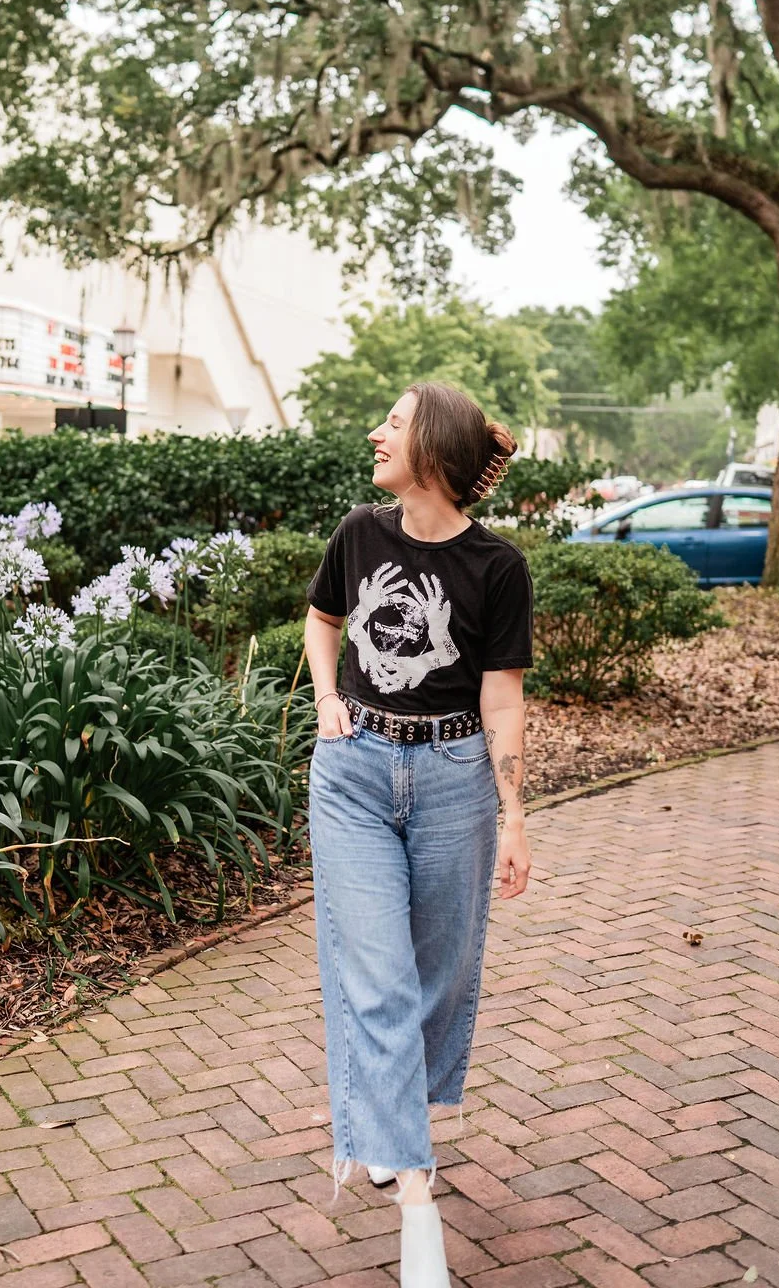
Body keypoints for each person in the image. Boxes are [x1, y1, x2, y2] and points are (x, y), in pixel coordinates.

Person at [304, 381, 533, 1288]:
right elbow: (324, 623)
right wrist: (327, 699)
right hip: (354, 772)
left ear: (432, 448)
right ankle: (414, 1197)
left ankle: (382, 1121)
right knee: (380, 981)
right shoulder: (360, 534)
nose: (374, 432)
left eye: (392, 423)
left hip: (453, 781)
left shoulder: (497, 567)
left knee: (440, 978)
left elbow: (503, 697)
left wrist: (515, 814)